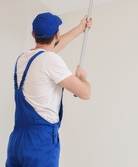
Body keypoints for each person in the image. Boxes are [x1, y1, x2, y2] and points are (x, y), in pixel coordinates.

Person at [6, 12, 92, 167]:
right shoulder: (50, 60)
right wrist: (82, 77)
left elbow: (49, 51)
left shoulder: (23, 59)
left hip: (17, 141)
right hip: (40, 141)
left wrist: (80, 29)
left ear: (33, 34)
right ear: (57, 34)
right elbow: (85, 93)